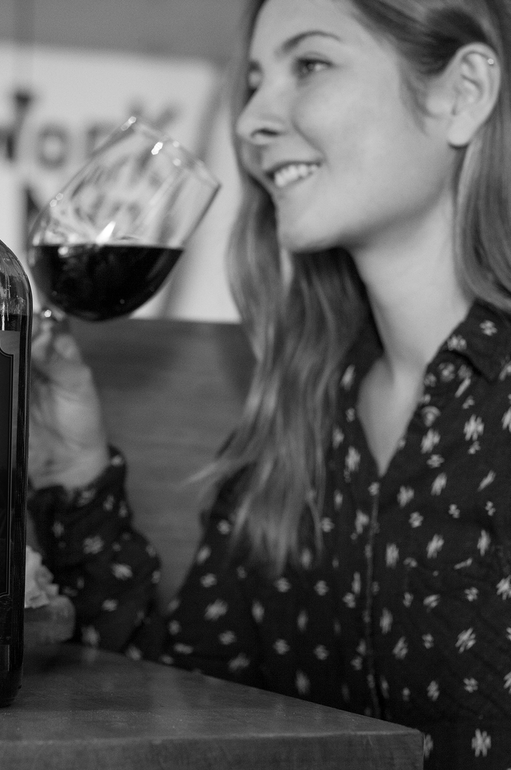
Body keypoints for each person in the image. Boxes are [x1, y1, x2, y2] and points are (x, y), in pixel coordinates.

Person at [27, 0, 511, 766]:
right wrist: (74, 474)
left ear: (463, 91)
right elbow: (186, 717)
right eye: (252, 82)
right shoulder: (294, 420)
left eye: (309, 65)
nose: (252, 119)